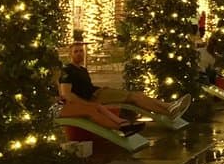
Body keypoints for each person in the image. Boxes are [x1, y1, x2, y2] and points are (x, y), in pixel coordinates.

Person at [60, 41, 191, 120]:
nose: (79, 54)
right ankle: (169, 110)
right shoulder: (68, 70)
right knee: (134, 97)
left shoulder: (82, 69)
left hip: (99, 92)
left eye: (81, 51)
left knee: (137, 95)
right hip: (94, 97)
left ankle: (169, 106)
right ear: (70, 54)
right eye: (76, 52)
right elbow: (66, 94)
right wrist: (87, 104)